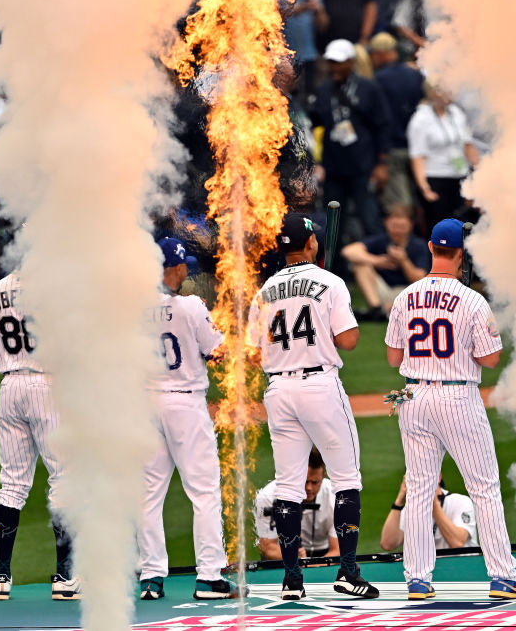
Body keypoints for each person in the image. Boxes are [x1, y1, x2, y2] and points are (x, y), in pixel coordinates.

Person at [384, 218, 516, 601]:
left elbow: (394, 356)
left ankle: (417, 579)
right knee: (484, 488)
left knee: (419, 488)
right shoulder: (473, 300)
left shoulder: (404, 297)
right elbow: (491, 359)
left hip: (412, 396)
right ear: (462, 254)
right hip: (458, 398)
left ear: (430, 248)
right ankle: (502, 577)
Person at [247, 213, 378, 600]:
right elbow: (350, 340)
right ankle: (348, 572)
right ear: (310, 244)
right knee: (347, 478)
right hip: (319, 386)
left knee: (287, 486)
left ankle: (291, 579)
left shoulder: (263, 291)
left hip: (279, 391)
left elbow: (255, 353)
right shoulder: (330, 282)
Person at [138, 238, 239, 601]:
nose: (186, 270)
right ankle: (210, 577)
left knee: (148, 494)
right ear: (174, 268)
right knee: (204, 491)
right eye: (183, 265)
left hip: (147, 406)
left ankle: (150, 577)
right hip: (185, 405)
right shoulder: (193, 306)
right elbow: (218, 352)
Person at [0, 273, 80, 601]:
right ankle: (65, 577)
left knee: (11, 484)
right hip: (46, 385)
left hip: (9, 389)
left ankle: (1, 577)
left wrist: (13, 360)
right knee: (64, 477)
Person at [310, 40, 392, 239]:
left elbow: (383, 125)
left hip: (363, 166)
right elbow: (315, 123)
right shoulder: (323, 90)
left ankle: (380, 266)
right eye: (331, 62)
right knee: (334, 224)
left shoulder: (368, 88)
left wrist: (381, 164)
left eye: (339, 62)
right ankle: (334, 267)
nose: (335, 67)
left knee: (370, 219)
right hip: (334, 168)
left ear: (351, 62)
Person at [406, 82, 480, 228]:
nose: (450, 94)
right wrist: (425, 188)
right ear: (434, 93)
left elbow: (468, 145)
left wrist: (480, 172)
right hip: (436, 178)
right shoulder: (421, 119)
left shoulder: (456, 113)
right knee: (441, 226)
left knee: (463, 224)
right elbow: (418, 157)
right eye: (446, 91)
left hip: (459, 175)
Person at [342, 207, 430, 321]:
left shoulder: (419, 245)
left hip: (406, 293)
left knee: (422, 287)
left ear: (410, 225)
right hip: (382, 291)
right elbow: (348, 251)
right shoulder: (381, 240)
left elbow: (420, 279)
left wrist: (404, 261)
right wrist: (377, 261)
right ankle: (377, 310)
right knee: (360, 265)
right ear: (386, 223)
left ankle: (386, 310)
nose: (397, 231)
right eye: (394, 226)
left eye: (401, 227)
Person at [371, 32, 424, 211]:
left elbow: (380, 118)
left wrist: (381, 156)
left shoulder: (378, 79)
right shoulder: (415, 75)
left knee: (399, 201)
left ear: (381, 53)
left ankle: (403, 237)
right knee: (420, 196)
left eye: (374, 54)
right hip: (419, 147)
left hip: (393, 147)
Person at [254, 448, 339, 560]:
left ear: (323, 477)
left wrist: (311, 566)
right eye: (304, 481)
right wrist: (293, 557)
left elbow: (337, 550)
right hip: (282, 551)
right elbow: (267, 548)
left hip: (324, 552)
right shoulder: (267, 496)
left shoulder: (336, 497)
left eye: (315, 482)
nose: (309, 488)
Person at [379, 475, 478, 551]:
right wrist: (399, 501)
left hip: (462, 567)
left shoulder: (461, 501)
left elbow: (457, 543)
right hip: (432, 571)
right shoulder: (412, 509)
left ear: (438, 477)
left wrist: (433, 505)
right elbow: (388, 544)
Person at [282, 0, 329, 105]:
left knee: (310, 100)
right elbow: (275, 13)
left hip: (308, 55)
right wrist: (303, 8)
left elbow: (323, 25)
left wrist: (319, 11)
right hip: (284, 59)